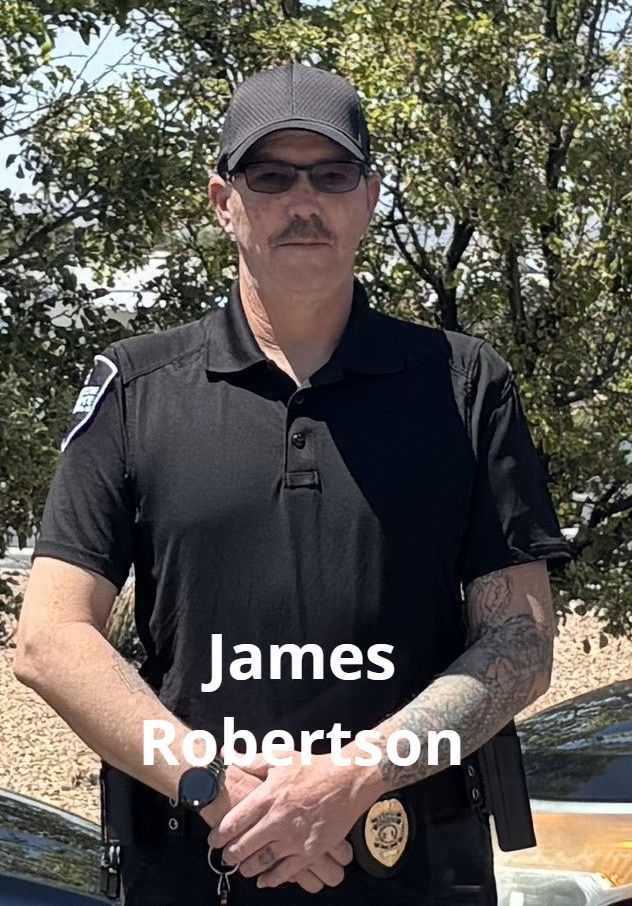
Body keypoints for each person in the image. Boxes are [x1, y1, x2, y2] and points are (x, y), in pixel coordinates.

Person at [14, 63, 571, 905]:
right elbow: (49, 638)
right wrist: (215, 787)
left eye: (332, 174)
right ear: (223, 200)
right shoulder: (135, 387)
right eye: (270, 176)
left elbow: (521, 645)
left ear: (371, 195)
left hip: (415, 871)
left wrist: (351, 778)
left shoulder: (461, 384)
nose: (302, 200)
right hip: (197, 869)